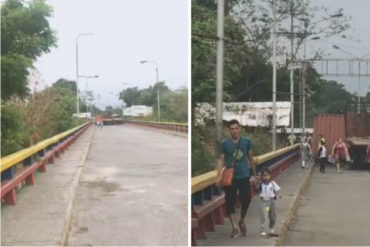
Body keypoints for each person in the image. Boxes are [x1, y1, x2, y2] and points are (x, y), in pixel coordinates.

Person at [217, 119, 257, 238]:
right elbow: (221, 159)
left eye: (236, 128)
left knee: (246, 199)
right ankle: (234, 227)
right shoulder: (225, 143)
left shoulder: (246, 141)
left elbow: (251, 158)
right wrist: (218, 175)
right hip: (230, 176)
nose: (234, 131)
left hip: (244, 175)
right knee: (230, 201)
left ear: (239, 129)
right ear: (229, 130)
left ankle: (241, 220)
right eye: (232, 129)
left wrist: (254, 174)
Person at [256, 168, 281, 237]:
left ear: (270, 175)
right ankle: (262, 229)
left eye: (267, 175)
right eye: (264, 175)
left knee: (272, 216)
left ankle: (272, 228)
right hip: (264, 202)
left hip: (271, 201)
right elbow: (256, 188)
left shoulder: (272, 183)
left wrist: (278, 195)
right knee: (264, 215)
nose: (266, 177)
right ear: (262, 176)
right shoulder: (261, 184)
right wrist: (257, 181)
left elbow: (278, 190)